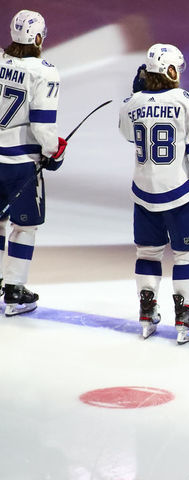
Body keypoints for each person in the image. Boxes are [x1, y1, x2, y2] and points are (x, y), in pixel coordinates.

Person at [118, 43, 189, 344]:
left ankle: (147, 310)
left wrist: (137, 94)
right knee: (186, 255)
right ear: (171, 70)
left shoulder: (132, 102)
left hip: (143, 192)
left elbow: (126, 133)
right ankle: (185, 315)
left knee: (147, 253)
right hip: (179, 193)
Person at [0, 10, 66, 316]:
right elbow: (42, 126)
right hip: (21, 162)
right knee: (24, 227)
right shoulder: (45, 71)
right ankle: (14, 288)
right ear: (38, 37)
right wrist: (55, 152)